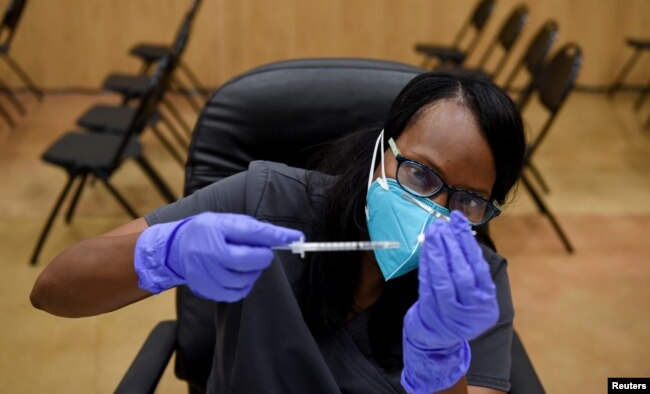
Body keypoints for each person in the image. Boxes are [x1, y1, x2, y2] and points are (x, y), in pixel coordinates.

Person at [31, 71, 525, 394]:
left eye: (467, 200)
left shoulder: (474, 286)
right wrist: (165, 253)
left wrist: (441, 362)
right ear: (382, 152)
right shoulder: (264, 203)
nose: (436, 210)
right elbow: (53, 289)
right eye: (420, 173)